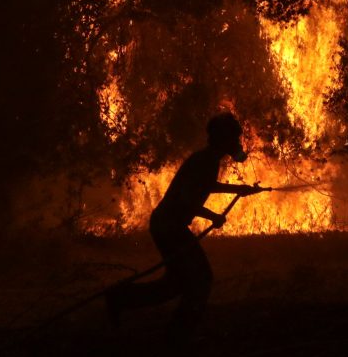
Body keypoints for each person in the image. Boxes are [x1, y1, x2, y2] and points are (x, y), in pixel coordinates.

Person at [106, 113, 264, 337]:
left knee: (175, 283)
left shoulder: (208, 159)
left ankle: (120, 298)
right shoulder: (205, 161)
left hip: (168, 224)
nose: (238, 142)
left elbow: (207, 186)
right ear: (223, 139)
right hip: (169, 226)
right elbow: (186, 199)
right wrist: (212, 216)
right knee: (201, 279)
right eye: (234, 138)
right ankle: (178, 334)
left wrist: (239, 190)